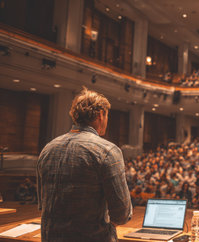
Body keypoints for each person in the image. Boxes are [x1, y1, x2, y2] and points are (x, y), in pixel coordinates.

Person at [37, 87, 132, 242]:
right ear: (101, 115)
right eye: (107, 115)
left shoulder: (48, 148)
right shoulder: (107, 151)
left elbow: (43, 204)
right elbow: (121, 214)